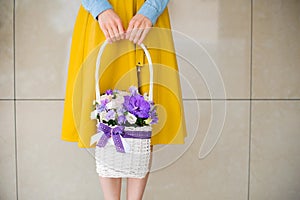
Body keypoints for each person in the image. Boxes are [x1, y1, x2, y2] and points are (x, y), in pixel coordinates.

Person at [61, 0, 187, 199]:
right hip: (104, 22)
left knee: (144, 117)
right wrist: (100, 8)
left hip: (147, 20)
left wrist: (152, 9)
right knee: (105, 114)